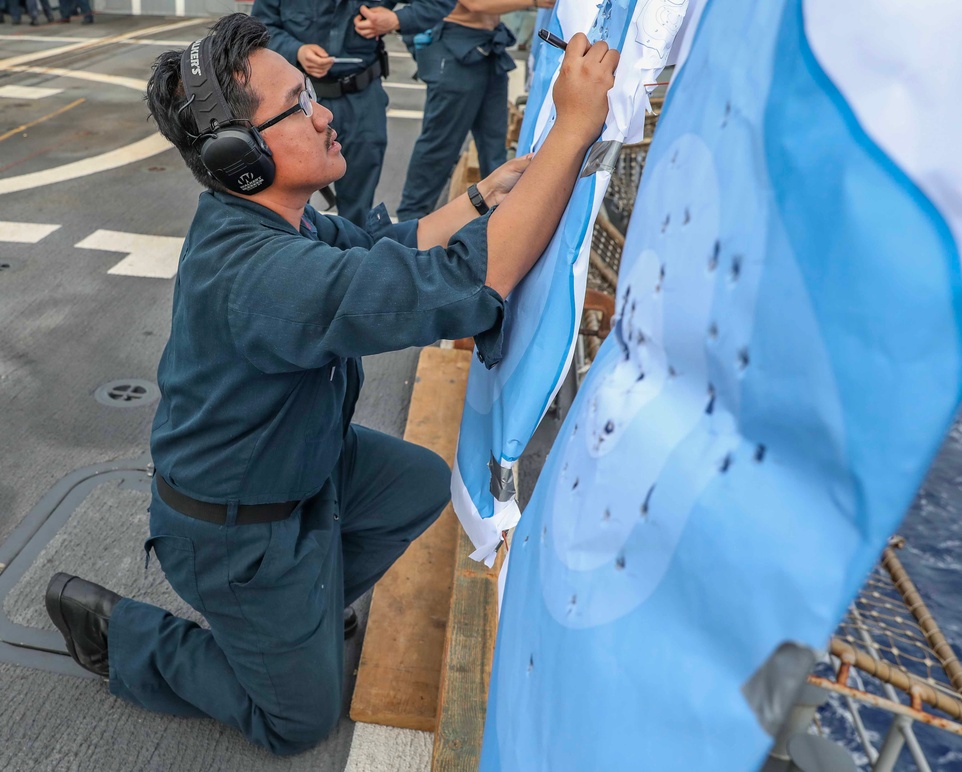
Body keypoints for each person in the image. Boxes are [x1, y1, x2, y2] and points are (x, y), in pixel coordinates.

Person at [43, 13, 618, 756]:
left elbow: (386, 242)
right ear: (238, 155)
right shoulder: (264, 272)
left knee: (415, 481)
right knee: (298, 724)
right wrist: (571, 133)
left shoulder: (276, 218)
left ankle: (294, 623)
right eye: (300, 106)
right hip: (234, 528)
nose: (326, 112)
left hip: (302, 471)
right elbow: (466, 283)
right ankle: (124, 637)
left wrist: (484, 198)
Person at [251, 0, 453, 226]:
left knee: (359, 205)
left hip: (362, 100)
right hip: (298, 102)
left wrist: (396, 20)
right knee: (287, 200)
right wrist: (297, 50)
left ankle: (356, 256)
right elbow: (260, 27)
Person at [395, 0, 555, 222]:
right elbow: (475, 3)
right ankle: (408, 225)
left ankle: (499, 223)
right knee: (440, 146)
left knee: (494, 148)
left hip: (489, 44)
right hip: (457, 45)